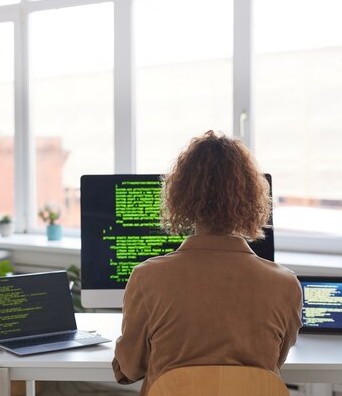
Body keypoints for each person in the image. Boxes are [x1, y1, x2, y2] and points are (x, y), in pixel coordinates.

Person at [113, 130, 302, 395]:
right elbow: (272, 364)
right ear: (253, 199)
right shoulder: (286, 284)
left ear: (180, 197)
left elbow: (131, 368)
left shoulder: (148, 278)